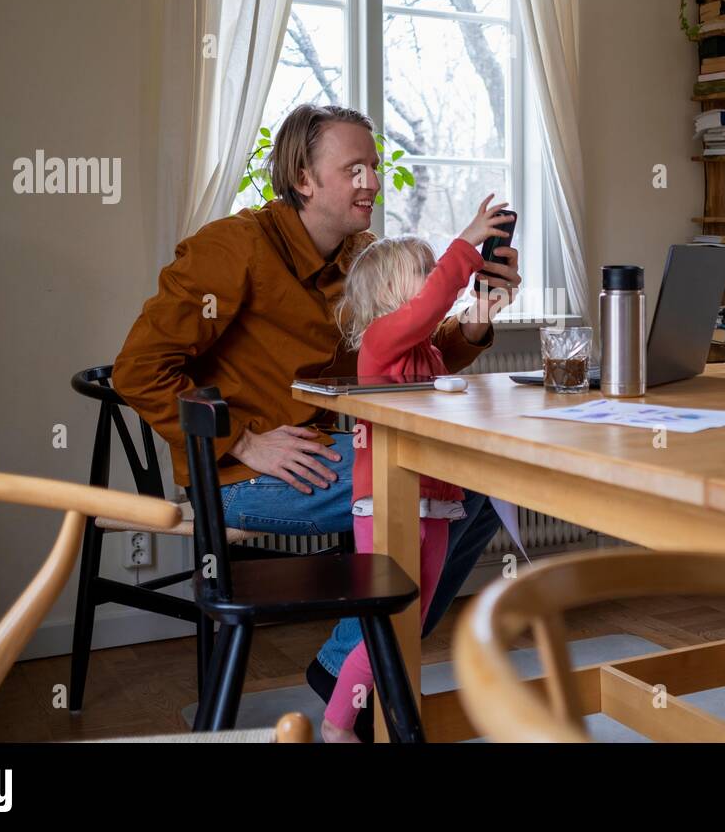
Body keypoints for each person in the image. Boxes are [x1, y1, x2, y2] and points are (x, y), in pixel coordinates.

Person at [112, 104, 520, 739]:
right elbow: (137, 369)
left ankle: (351, 663)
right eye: (353, 169)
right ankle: (358, 667)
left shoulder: (356, 257)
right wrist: (243, 438)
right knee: (449, 486)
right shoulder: (233, 248)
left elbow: (390, 352)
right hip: (241, 477)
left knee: (483, 486)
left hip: (334, 450)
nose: (373, 183)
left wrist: (473, 325)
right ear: (303, 177)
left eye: (375, 168)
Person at [320, 197, 512, 742]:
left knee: (409, 621)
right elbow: (430, 306)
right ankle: (339, 724)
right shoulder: (381, 342)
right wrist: (467, 243)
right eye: (423, 273)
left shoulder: (424, 352)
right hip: (387, 501)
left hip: (429, 502)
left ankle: (385, 715)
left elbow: (439, 322)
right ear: (387, 296)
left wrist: (485, 302)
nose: (434, 282)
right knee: (392, 622)